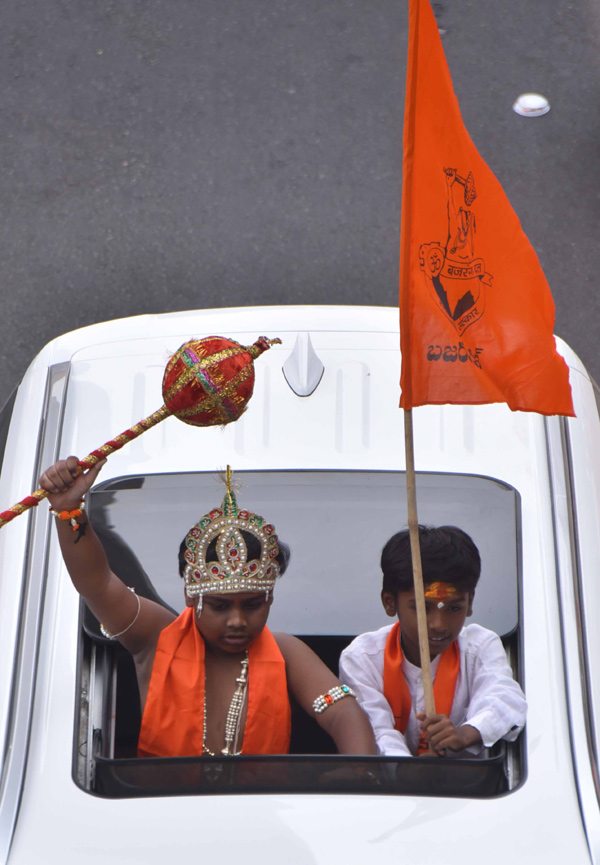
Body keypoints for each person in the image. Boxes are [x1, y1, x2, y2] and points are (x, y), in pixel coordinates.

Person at [40, 457, 376, 758]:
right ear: (191, 596)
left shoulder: (286, 651)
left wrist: (361, 780)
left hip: (262, 819)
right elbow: (97, 584)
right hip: (160, 818)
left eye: (253, 605)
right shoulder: (156, 636)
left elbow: (343, 714)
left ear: (269, 598)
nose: (237, 621)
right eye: (218, 606)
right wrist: (69, 510)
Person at [338, 525, 527, 757]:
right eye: (421, 608)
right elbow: (376, 732)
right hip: (391, 790)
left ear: (470, 602)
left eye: (454, 608)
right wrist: (413, 772)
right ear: (389, 602)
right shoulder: (362, 658)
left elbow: (506, 699)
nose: (438, 624)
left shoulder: (479, 647)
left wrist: (464, 734)